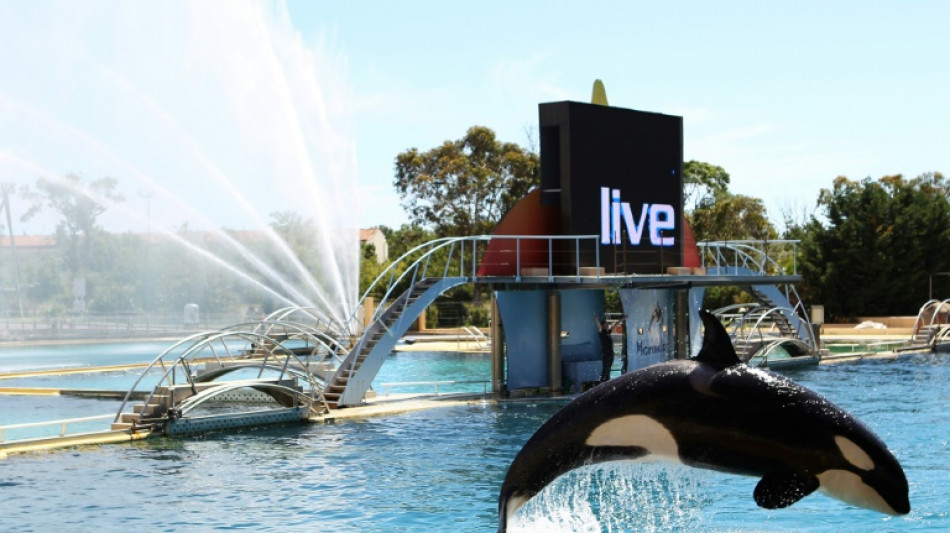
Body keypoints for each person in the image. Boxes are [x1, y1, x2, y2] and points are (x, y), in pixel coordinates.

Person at [595, 314, 626, 382]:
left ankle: (607, 382)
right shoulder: (601, 332)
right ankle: (602, 384)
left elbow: (615, 325)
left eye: (607, 324)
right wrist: (596, 319)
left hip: (611, 354)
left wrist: (622, 319)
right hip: (606, 354)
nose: (607, 325)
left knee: (608, 370)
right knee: (605, 371)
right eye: (606, 324)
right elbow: (599, 327)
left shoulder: (608, 332)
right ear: (603, 326)